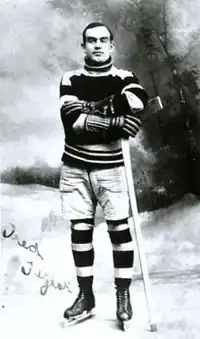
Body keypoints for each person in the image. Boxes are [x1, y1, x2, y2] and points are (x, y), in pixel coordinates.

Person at [59, 22, 148, 326]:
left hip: (111, 169)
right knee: (80, 233)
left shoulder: (125, 77)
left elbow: (137, 99)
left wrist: (91, 110)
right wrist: (116, 122)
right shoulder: (69, 79)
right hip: (74, 168)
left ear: (112, 45)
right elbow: (72, 121)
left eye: (103, 40)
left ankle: (123, 295)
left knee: (119, 232)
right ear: (82, 46)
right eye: (90, 41)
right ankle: (86, 296)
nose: (97, 45)